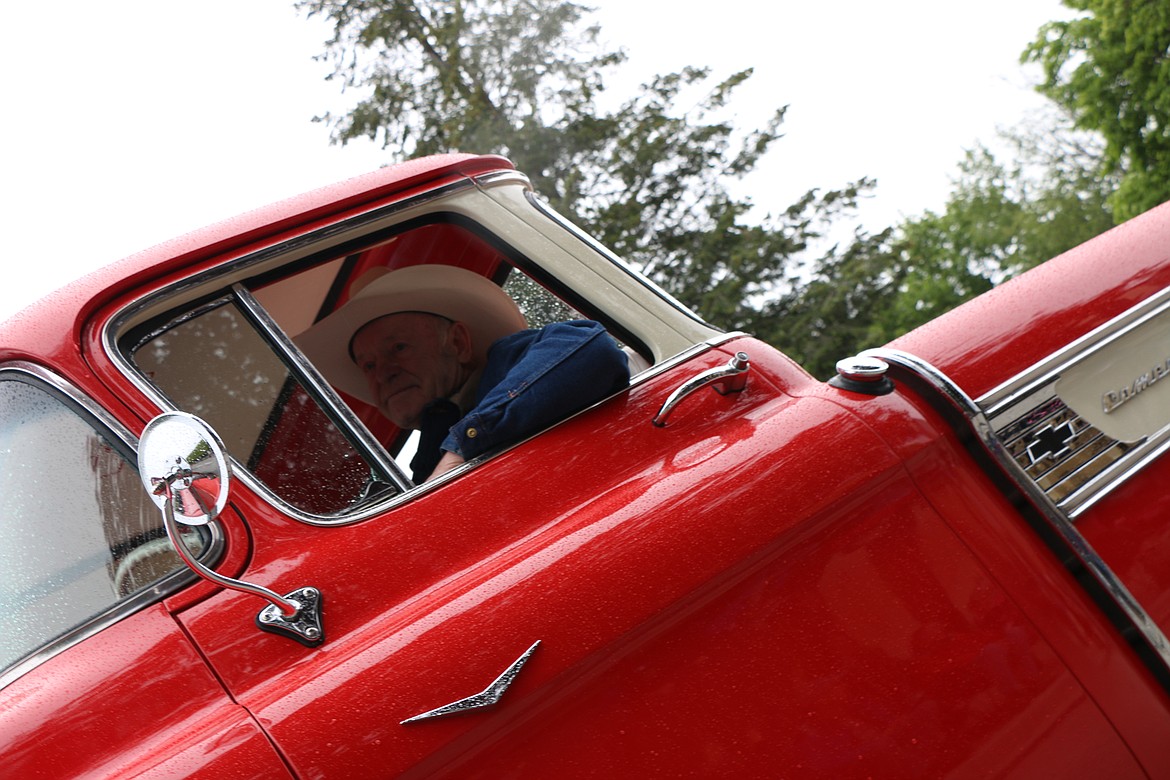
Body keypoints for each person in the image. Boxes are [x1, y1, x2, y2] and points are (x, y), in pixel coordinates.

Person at [296, 264, 631, 482]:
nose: (384, 373)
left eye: (397, 348)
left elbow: (589, 346)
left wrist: (463, 447)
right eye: (368, 366)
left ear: (457, 343)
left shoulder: (506, 363)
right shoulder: (426, 451)